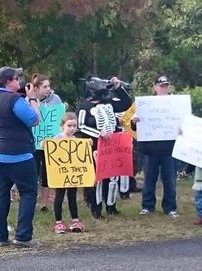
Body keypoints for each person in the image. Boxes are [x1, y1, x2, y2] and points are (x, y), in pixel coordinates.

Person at [0, 66, 40, 247]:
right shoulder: (15, 100)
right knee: (29, 192)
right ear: (8, 81)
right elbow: (34, 120)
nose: (20, 82)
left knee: (0, 192)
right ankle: (23, 236)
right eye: (17, 79)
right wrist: (32, 99)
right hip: (18, 154)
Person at [76, 76, 132, 219]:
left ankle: (111, 206)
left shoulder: (109, 103)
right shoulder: (84, 107)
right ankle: (96, 208)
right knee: (98, 178)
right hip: (95, 145)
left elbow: (127, 104)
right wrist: (98, 133)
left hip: (111, 145)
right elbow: (81, 126)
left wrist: (118, 87)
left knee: (112, 176)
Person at [131, 76, 179, 218]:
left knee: (169, 179)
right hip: (150, 148)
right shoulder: (145, 104)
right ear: (155, 88)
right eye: (161, 85)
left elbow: (184, 121)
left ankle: (170, 207)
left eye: (165, 85)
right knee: (149, 179)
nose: (163, 88)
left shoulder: (176, 103)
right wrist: (134, 121)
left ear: (169, 87)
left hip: (170, 148)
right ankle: (147, 206)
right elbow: (134, 125)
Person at [30, 73, 63, 212]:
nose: (48, 89)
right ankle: (31, 202)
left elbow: (60, 120)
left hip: (50, 143)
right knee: (33, 172)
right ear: (36, 88)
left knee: (48, 173)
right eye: (45, 86)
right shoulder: (29, 100)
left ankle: (44, 203)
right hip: (34, 143)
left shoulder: (55, 99)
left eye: (49, 86)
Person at [49, 113, 85, 233]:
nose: (72, 128)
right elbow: (50, 152)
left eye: (74, 126)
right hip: (61, 174)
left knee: (72, 197)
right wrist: (45, 145)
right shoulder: (57, 139)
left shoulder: (75, 140)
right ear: (62, 126)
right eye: (69, 125)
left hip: (72, 174)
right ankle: (58, 222)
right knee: (59, 196)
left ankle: (75, 220)